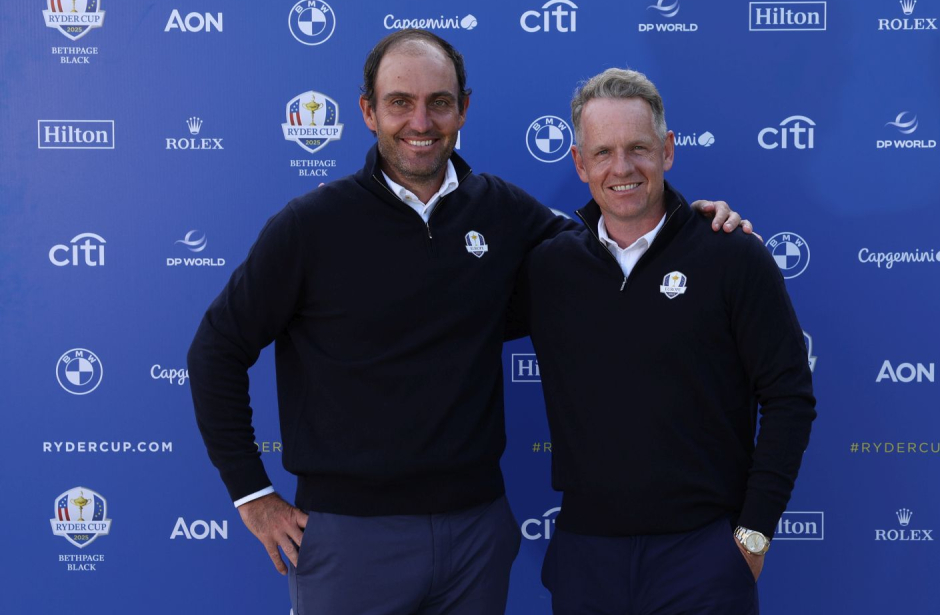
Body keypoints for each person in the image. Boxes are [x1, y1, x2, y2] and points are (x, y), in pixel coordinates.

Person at [187, 31, 751, 615]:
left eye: (440, 101)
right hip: (352, 537)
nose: (421, 121)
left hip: (477, 534)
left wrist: (692, 224)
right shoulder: (310, 226)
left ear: (463, 109)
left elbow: (611, 242)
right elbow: (216, 350)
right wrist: (253, 496)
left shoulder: (502, 210)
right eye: (400, 102)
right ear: (368, 111)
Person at [521, 68, 816, 614]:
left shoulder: (732, 254)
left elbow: (789, 397)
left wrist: (751, 536)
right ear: (580, 164)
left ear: (668, 151)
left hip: (703, 557)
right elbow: (437, 320)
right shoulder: (548, 267)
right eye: (603, 152)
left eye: (638, 148)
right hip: (587, 559)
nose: (622, 167)